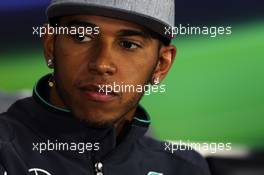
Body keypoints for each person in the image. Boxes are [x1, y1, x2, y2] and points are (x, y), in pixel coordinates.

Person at [0, 0, 211, 174]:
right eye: (81, 37)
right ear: (50, 45)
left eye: (129, 45)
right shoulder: (6, 152)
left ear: (161, 65)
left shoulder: (184, 168)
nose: (102, 64)